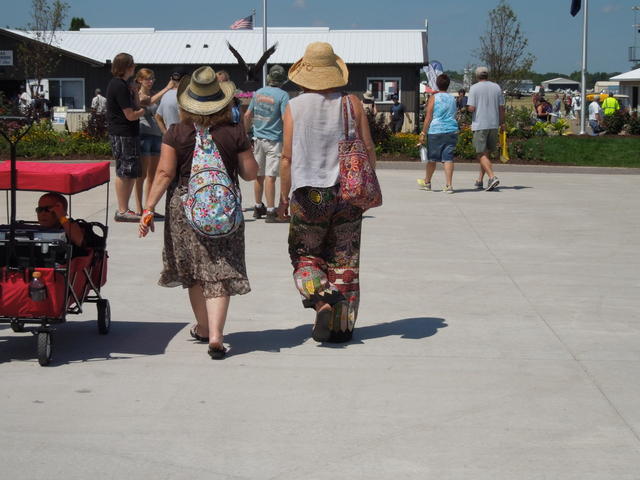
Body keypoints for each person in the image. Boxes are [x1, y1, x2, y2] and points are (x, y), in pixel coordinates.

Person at [138, 66, 258, 360]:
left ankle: (203, 328)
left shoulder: (176, 132)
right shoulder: (234, 132)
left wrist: (148, 208)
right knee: (220, 270)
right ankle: (216, 335)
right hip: (224, 211)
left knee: (194, 272)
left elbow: (164, 174)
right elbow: (250, 174)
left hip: (185, 208)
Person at [280, 41, 377, 343]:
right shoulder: (352, 103)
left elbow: (287, 158)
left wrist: (283, 197)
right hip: (346, 192)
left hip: (308, 194)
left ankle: (321, 300)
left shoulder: (294, 107)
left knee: (305, 256)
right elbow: (368, 147)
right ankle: (341, 329)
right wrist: (365, 184)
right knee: (344, 259)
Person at [244, 64, 290, 223]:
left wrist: (246, 133)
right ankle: (271, 211)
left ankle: (258, 207)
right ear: (282, 81)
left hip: (257, 139)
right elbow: (284, 118)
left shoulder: (258, 93)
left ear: (269, 78)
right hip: (274, 140)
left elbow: (247, 114)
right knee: (271, 176)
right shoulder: (283, 95)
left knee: (259, 175)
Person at [106, 52, 145, 222]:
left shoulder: (124, 85)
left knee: (131, 172)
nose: (134, 67)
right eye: (132, 64)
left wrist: (135, 92)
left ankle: (125, 208)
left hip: (129, 133)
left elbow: (135, 105)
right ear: (127, 67)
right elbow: (130, 115)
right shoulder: (118, 85)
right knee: (124, 171)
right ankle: (122, 210)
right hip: (122, 133)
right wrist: (143, 112)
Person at [134, 68, 175, 218]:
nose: (150, 81)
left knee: (153, 175)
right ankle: (138, 208)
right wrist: (167, 88)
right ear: (139, 80)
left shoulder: (153, 94)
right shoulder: (137, 94)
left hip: (156, 136)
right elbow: (147, 102)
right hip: (144, 135)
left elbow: (158, 112)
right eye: (147, 79)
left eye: (152, 79)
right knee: (142, 175)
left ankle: (149, 208)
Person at [417, 74, 458, 194]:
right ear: (448, 85)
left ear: (437, 84)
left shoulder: (434, 98)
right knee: (448, 158)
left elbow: (428, 116)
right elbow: (454, 114)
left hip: (436, 130)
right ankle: (449, 185)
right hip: (451, 130)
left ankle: (427, 182)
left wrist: (423, 132)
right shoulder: (452, 99)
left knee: (432, 159)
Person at [466, 66, 503, 191]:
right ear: (487, 75)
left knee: (480, 153)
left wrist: (467, 108)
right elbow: (501, 107)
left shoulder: (474, 88)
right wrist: (502, 123)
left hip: (480, 124)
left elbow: (471, 108)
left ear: (477, 76)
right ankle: (480, 180)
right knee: (486, 153)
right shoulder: (496, 87)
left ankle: (492, 177)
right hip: (493, 124)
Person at [155, 70, 185, 135]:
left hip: (170, 136)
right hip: (183, 136)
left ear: (171, 79)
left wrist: (166, 134)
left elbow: (158, 117)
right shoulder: (186, 95)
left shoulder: (165, 94)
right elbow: (183, 118)